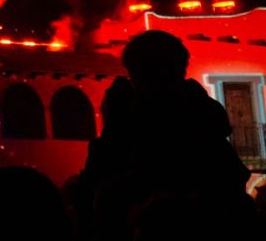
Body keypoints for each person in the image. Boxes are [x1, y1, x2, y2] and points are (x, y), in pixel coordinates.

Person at [77, 30, 254, 240]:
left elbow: (102, 184)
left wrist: (116, 120)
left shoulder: (144, 123)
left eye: (135, 74)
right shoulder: (205, 119)